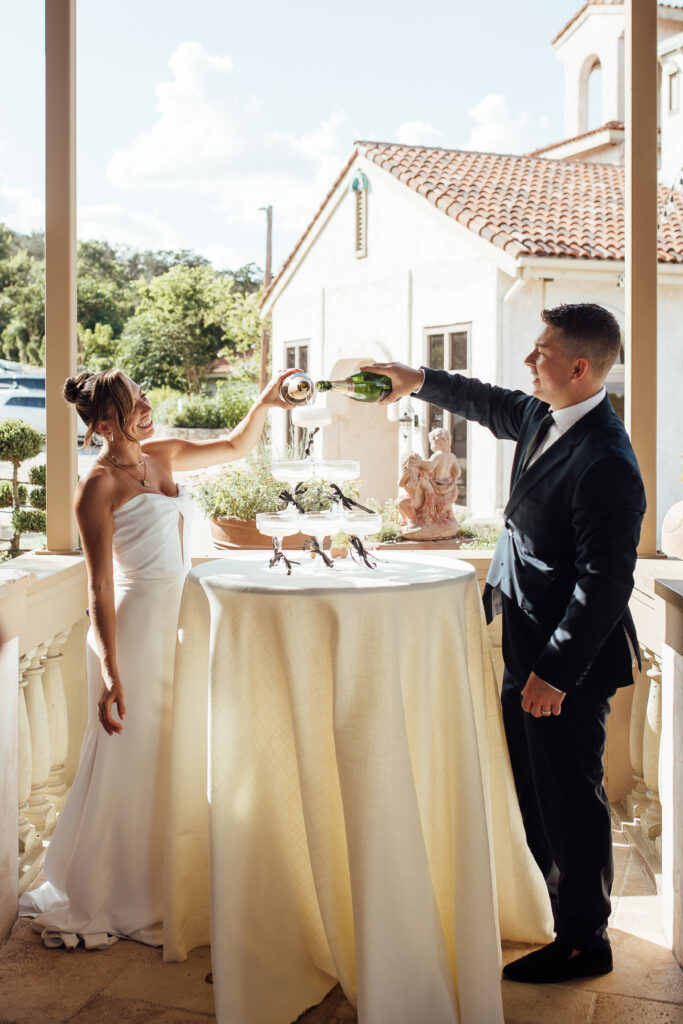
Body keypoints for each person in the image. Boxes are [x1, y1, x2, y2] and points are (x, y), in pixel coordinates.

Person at [363, 303, 646, 983]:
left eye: (540, 352)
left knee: (570, 800)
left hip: (564, 664)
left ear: (578, 367)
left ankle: (585, 943)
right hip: (526, 643)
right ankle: (557, 916)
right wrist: (416, 378)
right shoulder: (545, 417)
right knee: (536, 791)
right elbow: (485, 400)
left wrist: (552, 673)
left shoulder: (606, 457)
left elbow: (605, 581)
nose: (529, 361)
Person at [19, 366, 296, 949]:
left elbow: (235, 445)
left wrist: (267, 401)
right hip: (136, 629)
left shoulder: (162, 455)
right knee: (133, 757)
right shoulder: (97, 487)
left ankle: (175, 878)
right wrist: (111, 672)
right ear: (102, 424)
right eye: (133, 405)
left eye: (144, 397)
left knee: (177, 750)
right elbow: (96, 589)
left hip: (181, 623)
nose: (147, 408)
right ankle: (123, 892)